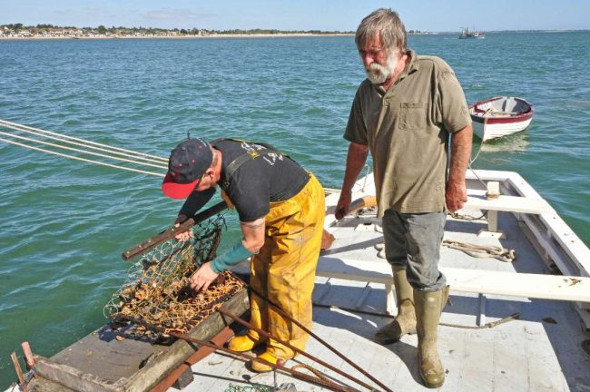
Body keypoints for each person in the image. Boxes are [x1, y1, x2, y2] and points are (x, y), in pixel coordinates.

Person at [335, 8, 473, 389]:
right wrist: (346, 192)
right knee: (397, 260)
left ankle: (428, 347)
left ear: (398, 46)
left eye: (375, 52)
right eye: (362, 52)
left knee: (425, 271)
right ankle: (408, 315)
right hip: (388, 198)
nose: (367, 60)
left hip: (427, 198)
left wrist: (456, 184)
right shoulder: (366, 92)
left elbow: (462, 129)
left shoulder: (433, 72)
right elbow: (359, 146)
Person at [162, 137, 325, 373]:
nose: (190, 190)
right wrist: (185, 216)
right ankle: (260, 332)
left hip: (299, 210)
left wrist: (213, 267)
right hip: (268, 204)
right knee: (259, 272)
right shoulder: (214, 152)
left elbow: (253, 242)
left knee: (285, 280)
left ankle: (285, 346)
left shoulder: (244, 184)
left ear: (209, 173)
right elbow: (204, 188)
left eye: (190, 185)